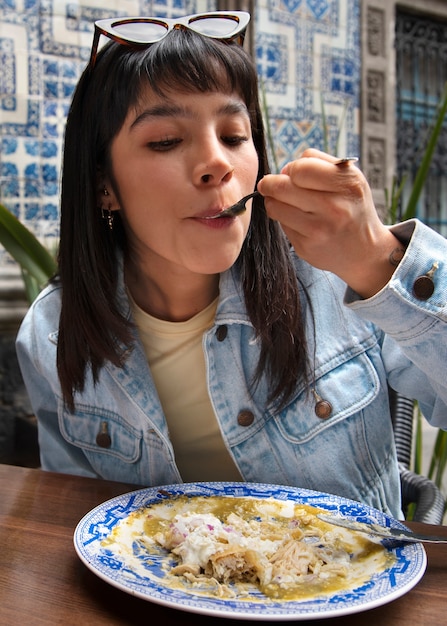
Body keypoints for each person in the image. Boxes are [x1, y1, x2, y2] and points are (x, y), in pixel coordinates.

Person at [16, 11, 447, 519]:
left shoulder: (333, 278)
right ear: (104, 186)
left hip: (356, 591)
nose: (217, 162)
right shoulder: (53, 332)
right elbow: (73, 519)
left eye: (234, 135)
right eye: (165, 141)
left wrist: (379, 260)